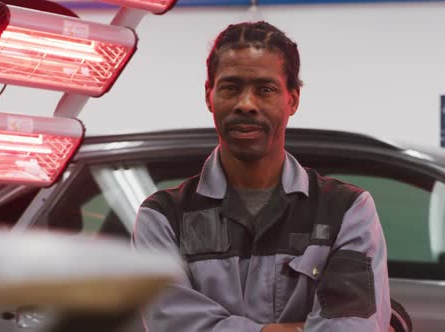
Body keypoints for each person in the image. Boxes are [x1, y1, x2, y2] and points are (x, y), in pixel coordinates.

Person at [132, 21, 390, 332]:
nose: (246, 104)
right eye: (231, 87)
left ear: (292, 99)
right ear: (209, 95)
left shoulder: (347, 211)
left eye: (265, 89)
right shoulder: (163, 218)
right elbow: (169, 326)